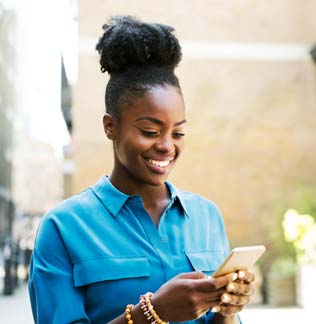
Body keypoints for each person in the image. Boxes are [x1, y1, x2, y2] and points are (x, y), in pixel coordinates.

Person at [28, 16, 255, 324]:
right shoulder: (64, 227)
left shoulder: (206, 216)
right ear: (111, 127)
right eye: (150, 131)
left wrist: (228, 309)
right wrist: (151, 313)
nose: (167, 146)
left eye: (178, 133)